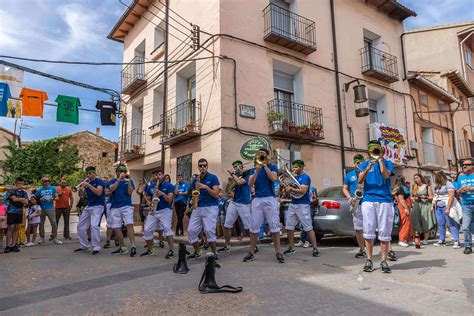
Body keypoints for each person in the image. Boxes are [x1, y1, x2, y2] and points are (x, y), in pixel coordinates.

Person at [358, 140, 395, 273]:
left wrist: (379, 161)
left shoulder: (388, 163)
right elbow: (360, 180)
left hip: (385, 200)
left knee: (385, 232)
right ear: (369, 151)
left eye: (377, 149)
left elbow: (385, 176)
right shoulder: (364, 164)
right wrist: (368, 166)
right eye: (373, 150)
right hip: (368, 200)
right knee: (368, 230)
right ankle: (369, 260)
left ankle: (384, 261)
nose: (375, 151)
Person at [243, 148, 284, 263]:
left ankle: (278, 252)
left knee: (274, 226)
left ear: (267, 157)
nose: (262, 158)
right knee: (254, 227)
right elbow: (250, 183)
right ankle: (251, 252)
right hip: (257, 199)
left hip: (270, 198)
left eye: (264, 155)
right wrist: (257, 170)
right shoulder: (253, 169)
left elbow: (274, 178)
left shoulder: (272, 167)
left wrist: (265, 166)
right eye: (260, 156)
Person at [282, 160, 320, 257]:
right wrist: (286, 189)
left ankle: (315, 248)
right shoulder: (294, 177)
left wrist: (291, 189)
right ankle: (291, 247)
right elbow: (290, 193)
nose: (294, 169)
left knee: (308, 227)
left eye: (296, 167)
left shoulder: (305, 177)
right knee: (289, 227)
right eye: (293, 167)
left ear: (302, 167)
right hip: (293, 204)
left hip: (303, 204)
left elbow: (303, 190)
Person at [187, 158, 220, 259]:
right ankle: (197, 252)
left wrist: (206, 187)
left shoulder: (213, 177)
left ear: (207, 166)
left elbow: (216, 195)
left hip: (211, 206)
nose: (202, 167)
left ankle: (214, 253)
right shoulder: (195, 180)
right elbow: (193, 194)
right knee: (191, 230)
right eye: (200, 166)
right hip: (198, 206)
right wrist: (194, 197)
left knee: (209, 230)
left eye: (204, 165)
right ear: (198, 167)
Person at [218, 160, 252, 253]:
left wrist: (233, 174)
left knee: (248, 228)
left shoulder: (247, 175)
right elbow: (230, 189)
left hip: (244, 203)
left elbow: (240, 182)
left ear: (241, 167)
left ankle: (253, 245)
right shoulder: (235, 177)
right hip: (234, 202)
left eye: (237, 166)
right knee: (226, 225)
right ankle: (227, 245)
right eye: (234, 167)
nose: (235, 168)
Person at [141, 169, 175, 258]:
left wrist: (162, 193)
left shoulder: (169, 186)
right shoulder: (150, 185)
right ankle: (150, 250)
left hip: (165, 210)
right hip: (154, 210)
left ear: (163, 175)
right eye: (155, 175)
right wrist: (148, 201)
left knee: (167, 229)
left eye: (159, 174)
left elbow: (169, 199)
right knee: (147, 230)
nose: (157, 176)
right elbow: (148, 197)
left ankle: (171, 250)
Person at [106, 165, 137, 257]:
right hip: (115, 207)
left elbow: (130, 192)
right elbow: (111, 189)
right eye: (120, 171)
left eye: (124, 170)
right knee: (116, 227)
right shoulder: (112, 181)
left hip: (127, 206)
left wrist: (127, 182)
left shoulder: (129, 181)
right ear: (117, 172)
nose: (123, 172)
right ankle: (122, 247)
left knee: (129, 225)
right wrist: (119, 180)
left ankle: (133, 246)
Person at [74, 166, 105, 255]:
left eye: (90, 173)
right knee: (80, 226)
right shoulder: (87, 183)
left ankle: (96, 247)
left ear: (94, 173)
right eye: (87, 174)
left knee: (94, 226)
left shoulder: (99, 181)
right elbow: (81, 195)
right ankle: (84, 245)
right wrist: (81, 187)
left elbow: (99, 193)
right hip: (89, 206)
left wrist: (89, 185)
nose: (88, 175)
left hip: (98, 206)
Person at [342, 154, 366, 258]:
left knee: (371, 227)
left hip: (367, 202)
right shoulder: (349, 174)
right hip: (356, 202)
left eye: (360, 161)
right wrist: (349, 197)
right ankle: (362, 249)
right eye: (356, 162)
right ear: (354, 162)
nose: (358, 163)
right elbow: (345, 188)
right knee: (358, 228)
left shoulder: (368, 172)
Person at [432, 171, 461, 249]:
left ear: (440, 176)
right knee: (440, 223)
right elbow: (435, 196)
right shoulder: (437, 185)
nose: (435, 178)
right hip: (438, 206)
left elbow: (451, 196)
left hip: (446, 205)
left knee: (451, 223)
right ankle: (442, 240)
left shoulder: (448, 183)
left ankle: (456, 241)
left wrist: (448, 208)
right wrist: (432, 205)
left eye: (436, 177)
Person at [455, 159, 474, 254]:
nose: (464, 166)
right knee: (465, 227)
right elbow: (457, 191)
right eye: (463, 165)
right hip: (466, 205)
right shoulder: (461, 178)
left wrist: (470, 188)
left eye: (467, 165)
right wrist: (460, 190)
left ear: (473, 166)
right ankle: (468, 246)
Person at [5, 177, 29, 253]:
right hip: (11, 211)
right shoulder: (12, 191)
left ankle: (14, 245)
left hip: (19, 212)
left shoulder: (24, 192)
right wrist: (22, 199)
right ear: (16, 183)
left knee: (16, 228)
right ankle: (7, 245)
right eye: (19, 183)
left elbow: (26, 202)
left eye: (22, 183)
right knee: (10, 228)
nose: (20, 185)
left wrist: (21, 200)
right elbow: (14, 199)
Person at [411, 173, 435, 245]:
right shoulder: (413, 187)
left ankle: (425, 239)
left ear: (421, 178)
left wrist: (425, 197)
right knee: (415, 221)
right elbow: (411, 197)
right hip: (416, 205)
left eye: (417, 177)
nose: (416, 179)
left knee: (426, 222)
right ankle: (415, 239)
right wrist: (415, 198)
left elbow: (431, 197)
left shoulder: (427, 186)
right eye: (414, 178)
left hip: (425, 205)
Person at [37, 177, 61, 244]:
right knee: (41, 224)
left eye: (48, 181)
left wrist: (54, 198)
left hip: (50, 208)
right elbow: (36, 200)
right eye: (45, 181)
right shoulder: (39, 190)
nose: (47, 182)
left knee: (54, 223)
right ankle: (42, 238)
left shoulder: (53, 188)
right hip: (42, 208)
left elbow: (57, 197)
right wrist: (40, 200)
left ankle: (55, 238)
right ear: (42, 182)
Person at [393, 175, 413, 247]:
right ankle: (402, 240)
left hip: (405, 205)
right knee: (405, 223)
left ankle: (409, 239)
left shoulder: (400, 188)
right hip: (403, 206)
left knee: (408, 223)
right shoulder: (400, 188)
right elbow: (401, 199)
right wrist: (406, 208)